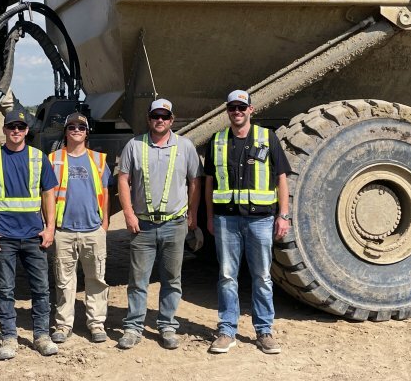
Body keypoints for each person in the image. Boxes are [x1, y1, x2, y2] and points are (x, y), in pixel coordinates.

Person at [204, 90, 290, 355]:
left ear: (251, 110)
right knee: (227, 276)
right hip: (226, 220)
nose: (237, 112)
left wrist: (283, 215)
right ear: (227, 111)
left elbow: (282, 178)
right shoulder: (217, 141)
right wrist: (208, 217)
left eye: (242, 107)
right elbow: (209, 182)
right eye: (233, 108)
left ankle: (264, 331)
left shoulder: (267, 138)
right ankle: (227, 331)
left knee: (262, 277)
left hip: (261, 220)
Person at [116, 98, 203, 350]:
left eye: (165, 116)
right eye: (156, 116)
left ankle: (167, 325)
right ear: (149, 119)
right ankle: (133, 327)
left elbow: (195, 181)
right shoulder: (134, 145)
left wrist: (192, 215)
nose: (160, 120)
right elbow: (123, 180)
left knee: (171, 279)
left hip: (174, 224)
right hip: (142, 226)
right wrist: (129, 214)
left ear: (172, 120)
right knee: (138, 280)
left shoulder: (185, 146)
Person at [0, 109, 59, 361]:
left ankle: (41, 336)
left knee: (41, 289)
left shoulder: (38, 158)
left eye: (21, 128)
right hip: (4, 237)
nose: (16, 131)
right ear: (4, 129)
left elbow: (49, 195)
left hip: (34, 235)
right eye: (12, 126)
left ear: (27, 131)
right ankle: (9, 338)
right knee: (5, 289)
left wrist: (50, 228)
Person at [49, 112, 112, 345]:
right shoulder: (53, 159)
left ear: (87, 133)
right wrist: (50, 226)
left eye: (81, 127)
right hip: (64, 230)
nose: (77, 130)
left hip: (93, 230)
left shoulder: (98, 160)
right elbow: (47, 195)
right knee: (64, 282)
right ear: (65, 131)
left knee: (96, 279)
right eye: (72, 126)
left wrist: (104, 223)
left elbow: (105, 193)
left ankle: (96, 323)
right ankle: (63, 325)